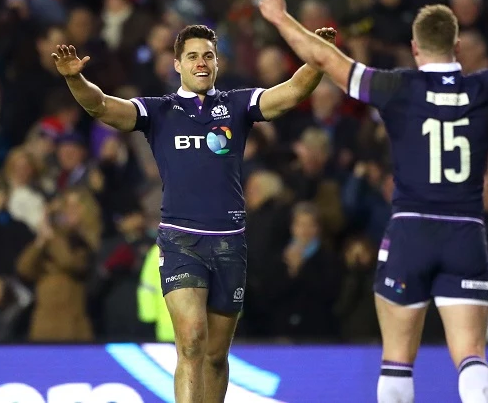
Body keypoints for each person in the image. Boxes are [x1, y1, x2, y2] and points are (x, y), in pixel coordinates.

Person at [258, 0, 488, 403]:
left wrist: (281, 17)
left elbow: (326, 60)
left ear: (416, 49)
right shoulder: (484, 87)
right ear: (457, 48)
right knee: (471, 354)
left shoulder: (397, 87)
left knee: (397, 359)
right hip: (465, 232)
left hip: (410, 231)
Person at [52, 24, 336, 403]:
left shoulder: (238, 105)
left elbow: (291, 93)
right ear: (177, 64)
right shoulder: (159, 110)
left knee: (216, 357)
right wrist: (76, 80)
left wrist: (318, 59)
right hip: (181, 240)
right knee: (191, 343)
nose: (201, 63)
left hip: (230, 245)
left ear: (216, 62)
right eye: (192, 56)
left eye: (208, 56)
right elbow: (101, 105)